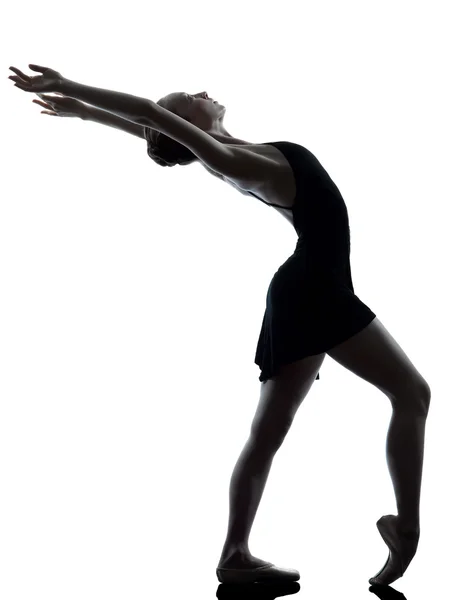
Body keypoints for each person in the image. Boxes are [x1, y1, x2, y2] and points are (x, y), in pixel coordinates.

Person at [27, 84, 431, 587]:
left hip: (305, 289)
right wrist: (67, 87)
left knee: (268, 434)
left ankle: (235, 554)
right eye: (185, 96)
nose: (200, 89)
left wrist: (87, 113)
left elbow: (153, 125)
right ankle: (407, 530)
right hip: (315, 289)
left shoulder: (230, 155)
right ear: (185, 125)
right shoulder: (233, 163)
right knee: (412, 393)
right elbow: (153, 117)